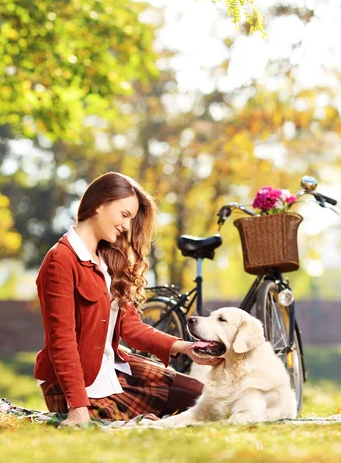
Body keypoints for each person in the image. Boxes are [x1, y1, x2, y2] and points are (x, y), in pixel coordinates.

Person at [34, 171, 220, 425]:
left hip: (114, 369)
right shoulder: (61, 260)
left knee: (203, 396)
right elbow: (61, 341)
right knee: (136, 426)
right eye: (125, 216)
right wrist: (78, 407)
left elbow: (130, 327)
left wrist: (185, 347)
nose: (127, 227)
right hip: (76, 387)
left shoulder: (109, 258)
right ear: (100, 204)